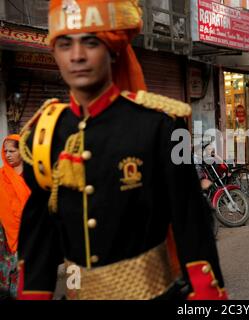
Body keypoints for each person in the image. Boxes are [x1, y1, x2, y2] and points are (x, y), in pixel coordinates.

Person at [17, 0, 227, 300]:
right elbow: (39, 241)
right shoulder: (43, 134)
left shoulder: (160, 125)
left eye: (90, 42)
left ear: (112, 49)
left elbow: (191, 226)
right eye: (65, 44)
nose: (77, 56)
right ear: (54, 52)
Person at [0, 135, 31, 299]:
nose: (8, 154)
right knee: (6, 275)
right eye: (5, 151)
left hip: (29, 231)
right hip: (4, 235)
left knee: (27, 275)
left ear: (22, 151)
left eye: (12, 150)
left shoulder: (32, 176)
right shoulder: (1, 176)